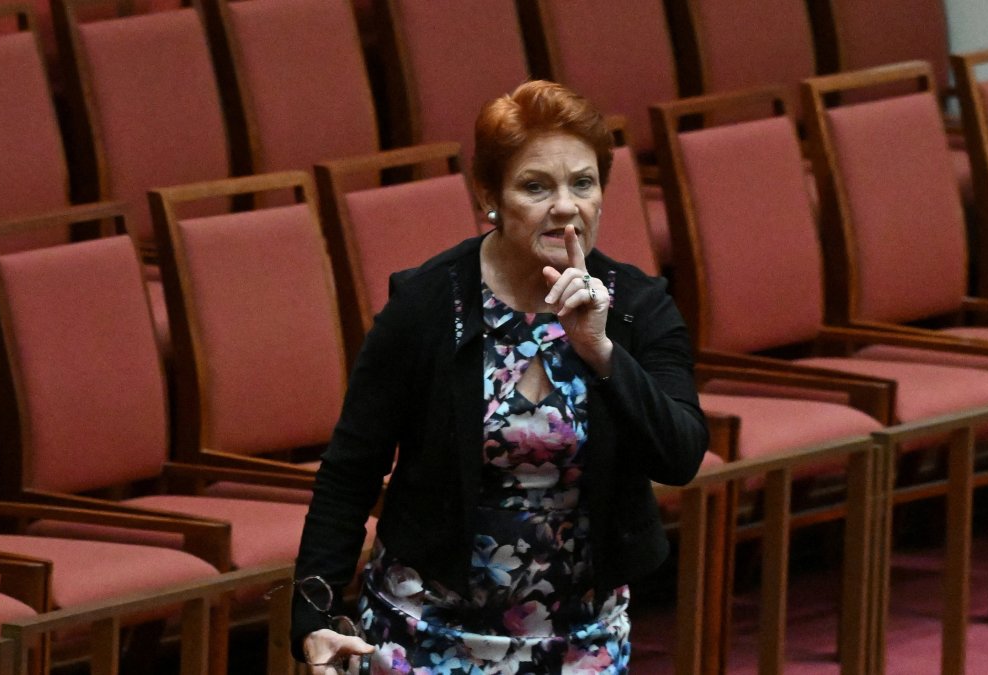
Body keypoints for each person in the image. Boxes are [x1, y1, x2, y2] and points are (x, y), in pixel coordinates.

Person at [290, 80, 709, 674]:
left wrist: (600, 349)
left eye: (582, 184)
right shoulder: (428, 305)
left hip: (580, 641)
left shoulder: (639, 307)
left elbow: (681, 455)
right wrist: (315, 618)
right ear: (490, 196)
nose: (565, 206)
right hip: (427, 633)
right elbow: (350, 471)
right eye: (536, 186)